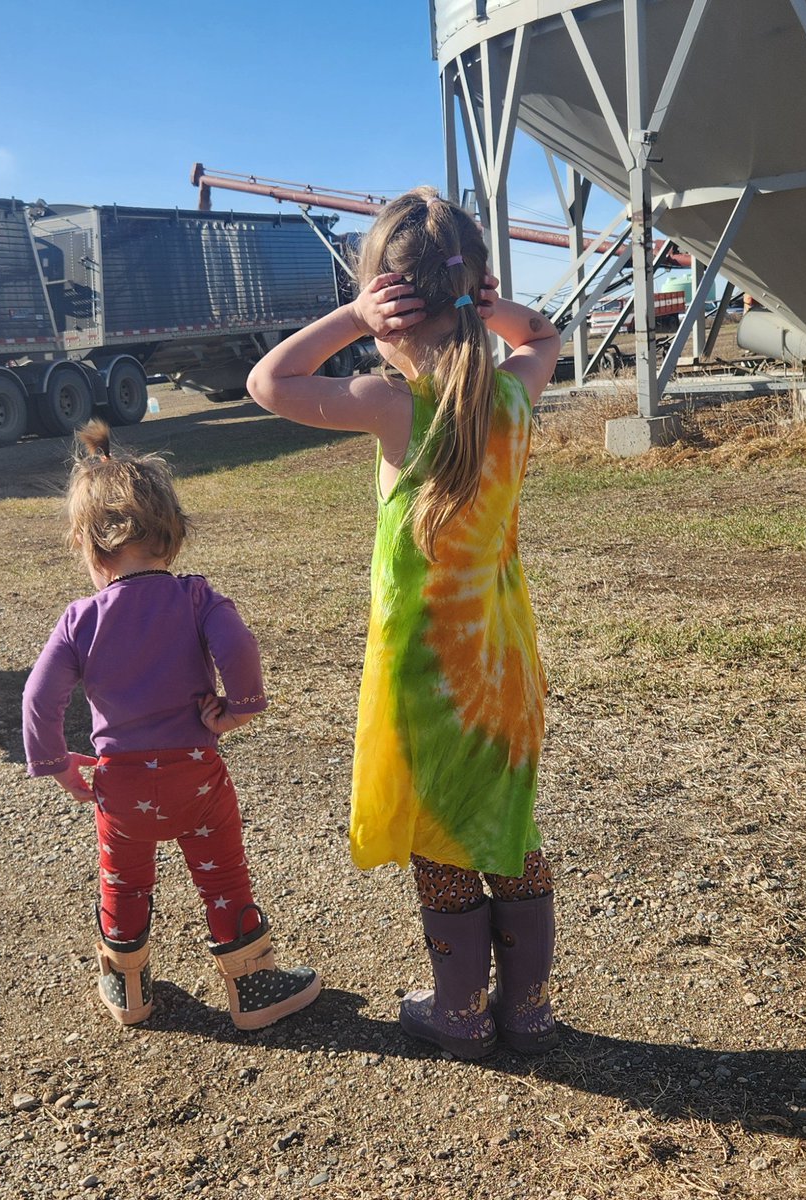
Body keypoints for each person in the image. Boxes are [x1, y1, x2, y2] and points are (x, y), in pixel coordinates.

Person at [246, 188, 563, 1060]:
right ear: (474, 293)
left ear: (388, 307)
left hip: (426, 673)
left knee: (441, 836)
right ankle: (527, 1011)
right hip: (505, 661)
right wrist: (498, 310)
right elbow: (545, 340)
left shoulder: (390, 405)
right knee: (507, 822)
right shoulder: (511, 395)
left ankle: (459, 1013)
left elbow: (268, 382)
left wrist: (348, 317)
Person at [21, 418, 320, 1031]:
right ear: (173, 536)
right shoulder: (195, 597)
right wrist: (240, 707)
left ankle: (127, 988)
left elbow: (38, 698)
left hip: (120, 786)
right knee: (224, 874)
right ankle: (254, 986)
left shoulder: (80, 619)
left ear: (89, 544)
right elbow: (238, 646)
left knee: (123, 883)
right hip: (197, 780)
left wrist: (57, 765)